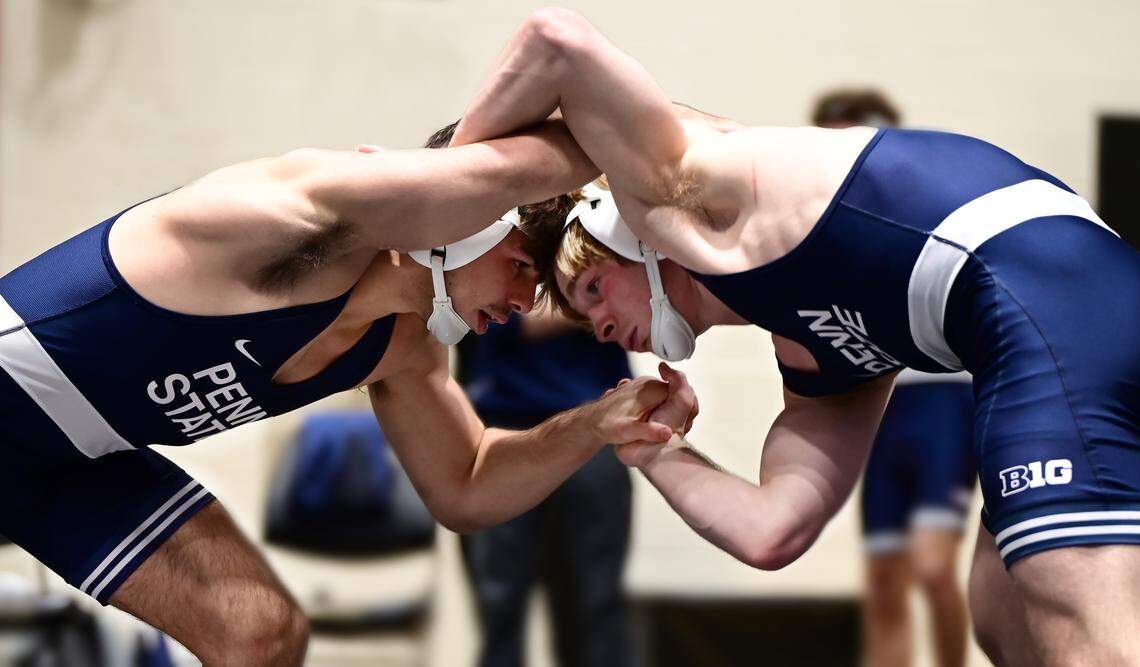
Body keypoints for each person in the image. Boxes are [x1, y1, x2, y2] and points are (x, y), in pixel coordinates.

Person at [449, 9, 1140, 665]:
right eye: (586, 316)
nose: (600, 324)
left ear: (627, 228)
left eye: (594, 287)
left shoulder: (706, 189)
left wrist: (440, 211)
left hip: (1053, 311)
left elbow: (556, 41)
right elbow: (772, 528)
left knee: (1081, 631)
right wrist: (645, 445)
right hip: (1078, 313)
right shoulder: (814, 354)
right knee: (1000, 610)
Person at [0, 118, 697, 666]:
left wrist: (595, 423)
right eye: (520, 265)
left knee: (258, 634)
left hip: (79, 462)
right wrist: (665, 148)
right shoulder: (301, 216)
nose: (522, 301)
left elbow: (468, 483)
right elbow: (480, 166)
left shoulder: (400, 345)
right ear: (461, 217)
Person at [813, 89, 975, 667]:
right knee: (883, 580)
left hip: (943, 402)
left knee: (933, 567)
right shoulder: (817, 224)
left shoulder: (917, 200)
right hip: (881, 410)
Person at [457, 302, 635, 667]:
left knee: (595, 606)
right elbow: (492, 315)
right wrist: (595, 302)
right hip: (502, 430)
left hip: (592, 433)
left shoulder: (608, 244)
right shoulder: (477, 247)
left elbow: (640, 299)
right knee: (500, 607)